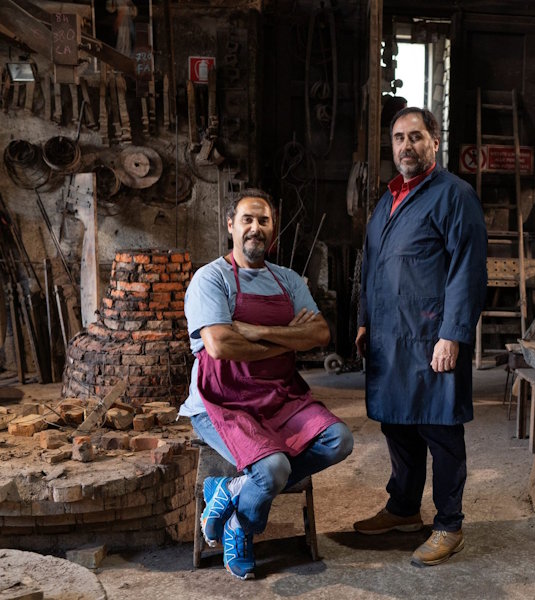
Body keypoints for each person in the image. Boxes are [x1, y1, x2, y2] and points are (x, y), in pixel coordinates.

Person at [179, 189, 353, 580]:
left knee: (339, 440)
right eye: (247, 220)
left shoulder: (288, 280)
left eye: (264, 221)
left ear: (273, 230)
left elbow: (321, 334)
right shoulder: (211, 278)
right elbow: (221, 345)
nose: (255, 228)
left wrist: (257, 331)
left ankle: (230, 493)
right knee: (274, 469)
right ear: (231, 226)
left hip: (280, 395)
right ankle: (244, 528)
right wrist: (287, 338)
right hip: (222, 400)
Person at [353, 107, 487, 567]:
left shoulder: (454, 195)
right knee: (397, 424)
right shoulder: (387, 198)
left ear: (434, 140)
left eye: (415, 137)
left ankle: (449, 524)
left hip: (431, 339)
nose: (405, 146)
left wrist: (452, 335)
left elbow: (468, 272)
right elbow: (371, 265)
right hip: (390, 337)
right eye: (397, 138)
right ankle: (404, 509)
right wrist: (364, 320)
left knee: (439, 428)